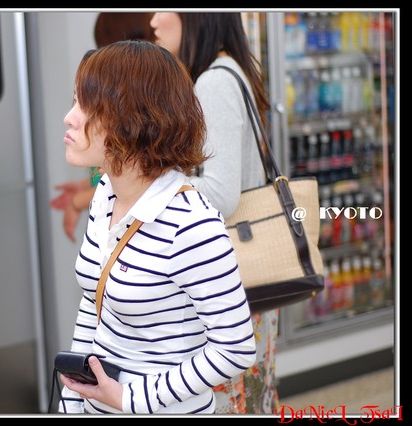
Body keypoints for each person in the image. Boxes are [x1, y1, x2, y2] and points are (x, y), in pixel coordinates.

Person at [57, 40, 257, 414]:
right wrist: (72, 401)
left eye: (85, 106)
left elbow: (235, 348)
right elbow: (93, 301)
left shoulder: (190, 223)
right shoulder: (105, 194)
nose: (69, 117)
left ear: (130, 121)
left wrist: (132, 399)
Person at [150, 12, 278, 414]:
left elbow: (221, 194)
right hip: (248, 275)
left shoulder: (214, 82)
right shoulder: (230, 70)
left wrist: (153, 184)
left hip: (231, 281)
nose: (153, 20)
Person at [50, 12, 155, 242]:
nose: (69, 118)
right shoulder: (105, 194)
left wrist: (79, 200)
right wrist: (87, 187)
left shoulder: (181, 223)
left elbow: (135, 178)